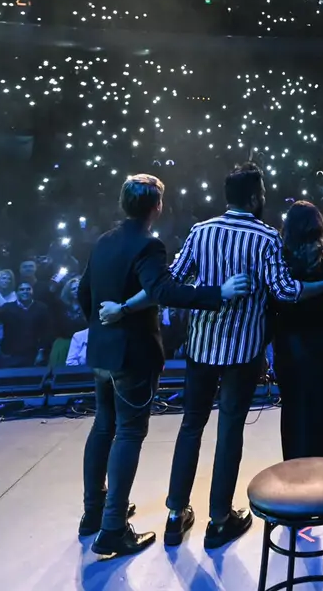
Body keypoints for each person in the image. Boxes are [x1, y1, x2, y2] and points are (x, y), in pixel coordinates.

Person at [162, 163, 323, 550]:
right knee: (229, 431)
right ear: (253, 197)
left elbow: (170, 284)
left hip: (200, 348)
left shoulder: (201, 232)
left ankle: (174, 515)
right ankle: (218, 521)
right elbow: (286, 292)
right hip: (242, 354)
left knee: (190, 428)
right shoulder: (266, 238)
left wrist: (210, 293)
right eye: (262, 192)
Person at [78, 173, 254, 558]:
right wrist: (218, 293)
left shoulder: (104, 241)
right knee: (127, 434)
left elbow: (83, 293)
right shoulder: (149, 245)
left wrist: (105, 325)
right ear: (157, 206)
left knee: (103, 428)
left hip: (102, 352)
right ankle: (111, 529)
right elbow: (164, 292)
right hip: (132, 355)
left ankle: (93, 514)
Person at [270, 201, 323, 460]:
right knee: (320, 420)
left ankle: (292, 477)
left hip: (287, 352)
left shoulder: (279, 267)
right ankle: (316, 483)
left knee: (291, 415)